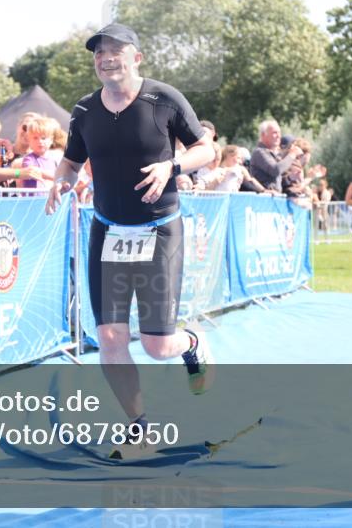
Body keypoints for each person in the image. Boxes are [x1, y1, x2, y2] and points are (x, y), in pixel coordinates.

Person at [44, 23, 216, 457]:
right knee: (111, 337)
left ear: (136, 57)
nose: (105, 58)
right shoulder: (84, 110)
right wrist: (61, 181)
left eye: (115, 51)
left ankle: (191, 343)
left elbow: (207, 150)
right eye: (98, 52)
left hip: (160, 230)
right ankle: (139, 427)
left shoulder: (164, 99)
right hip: (107, 231)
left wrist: (172, 166)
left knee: (158, 346)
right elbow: (70, 163)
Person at [249, 120, 299, 192]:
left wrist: (290, 177)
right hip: (264, 197)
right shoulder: (259, 152)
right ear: (263, 135)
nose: (279, 136)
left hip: (274, 196)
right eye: (274, 133)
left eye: (279, 133)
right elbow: (275, 170)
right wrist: (292, 154)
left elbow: (277, 181)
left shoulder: (273, 154)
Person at [19, 115, 59, 190]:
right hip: (34, 196)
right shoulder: (29, 159)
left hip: (49, 195)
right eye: (35, 138)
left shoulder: (53, 160)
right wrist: (55, 177)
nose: (40, 141)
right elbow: (31, 170)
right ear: (29, 140)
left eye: (43, 138)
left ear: (51, 140)